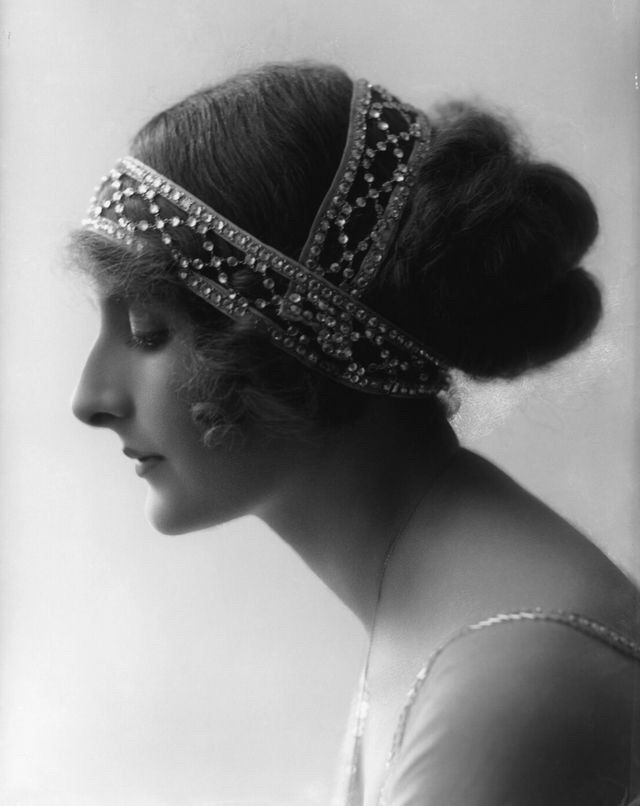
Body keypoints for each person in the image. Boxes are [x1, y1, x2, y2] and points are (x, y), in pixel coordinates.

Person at [70, 62, 640, 805]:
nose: (90, 399)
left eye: (148, 332)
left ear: (294, 342)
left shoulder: (507, 678)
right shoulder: (439, 607)